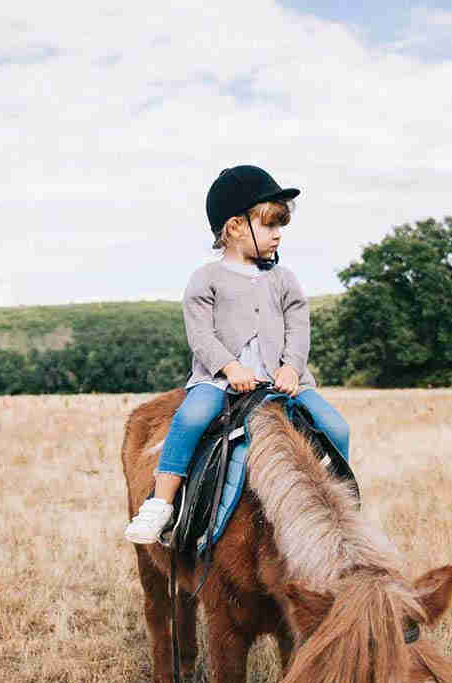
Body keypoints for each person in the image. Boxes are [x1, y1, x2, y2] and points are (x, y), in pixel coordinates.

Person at [124, 165, 351, 544]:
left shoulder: (284, 278)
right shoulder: (205, 279)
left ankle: (337, 508)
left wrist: (292, 368)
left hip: (284, 382)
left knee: (337, 427)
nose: (278, 234)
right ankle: (162, 504)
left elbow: (298, 326)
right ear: (234, 228)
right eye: (270, 225)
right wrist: (229, 367)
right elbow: (200, 334)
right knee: (191, 418)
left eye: (281, 226)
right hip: (220, 381)